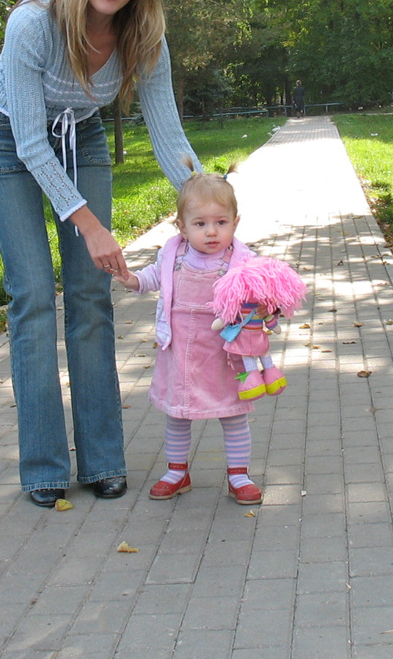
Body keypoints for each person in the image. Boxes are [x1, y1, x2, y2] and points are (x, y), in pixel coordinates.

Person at [0, 0, 200, 508]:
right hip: (6, 141)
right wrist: (91, 226)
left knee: (91, 296)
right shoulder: (33, 24)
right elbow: (30, 144)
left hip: (81, 134)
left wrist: (212, 208)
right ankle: (43, 467)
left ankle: (102, 460)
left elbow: (169, 135)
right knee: (32, 296)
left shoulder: (145, 35)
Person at [115, 171, 301, 505]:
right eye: (200, 224)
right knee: (178, 414)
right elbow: (153, 278)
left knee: (233, 413)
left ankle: (239, 475)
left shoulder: (242, 263)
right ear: (182, 227)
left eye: (221, 222)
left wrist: (267, 309)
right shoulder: (173, 256)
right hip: (180, 352)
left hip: (225, 355)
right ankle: (177, 472)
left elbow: (264, 298)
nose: (212, 231)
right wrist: (132, 280)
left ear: (235, 222)